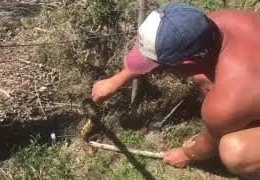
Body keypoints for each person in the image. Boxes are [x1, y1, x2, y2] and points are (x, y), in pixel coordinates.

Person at [91, 2, 260, 179]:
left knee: (235, 151)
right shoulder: (218, 21)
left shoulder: (228, 100)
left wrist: (187, 154)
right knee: (204, 80)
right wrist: (118, 78)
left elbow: (210, 144)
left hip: (241, 93)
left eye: (161, 66)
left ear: (186, 63)